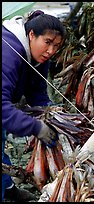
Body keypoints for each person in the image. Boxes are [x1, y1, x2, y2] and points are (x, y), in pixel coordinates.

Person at [2, 10, 66, 202]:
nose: (51, 51)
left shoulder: (40, 56)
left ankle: (9, 189)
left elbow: (37, 93)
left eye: (56, 46)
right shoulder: (9, 52)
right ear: (31, 35)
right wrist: (35, 127)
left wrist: (51, 115)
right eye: (47, 42)